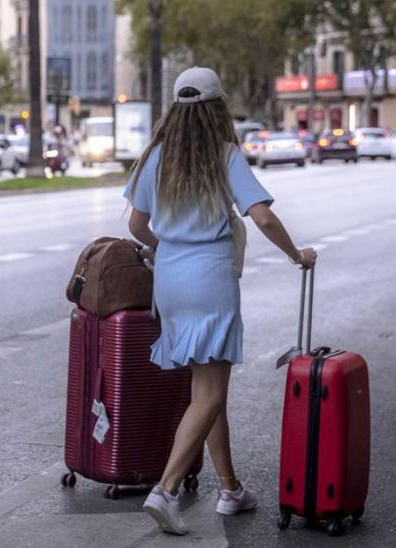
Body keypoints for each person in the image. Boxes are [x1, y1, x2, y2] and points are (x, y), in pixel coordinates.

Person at [124, 67, 317, 536]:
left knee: (206, 394)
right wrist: (297, 255)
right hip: (210, 277)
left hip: (169, 279)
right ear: (217, 109)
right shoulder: (224, 154)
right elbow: (263, 217)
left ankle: (230, 489)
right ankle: (166, 491)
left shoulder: (156, 157)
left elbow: (135, 225)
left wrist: (164, 248)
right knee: (210, 391)